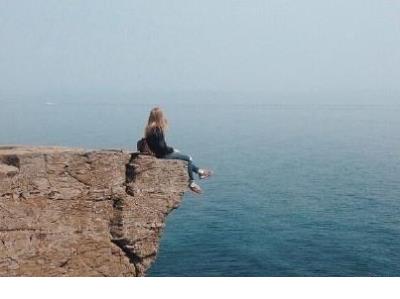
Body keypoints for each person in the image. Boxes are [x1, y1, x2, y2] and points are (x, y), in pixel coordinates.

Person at [144, 107, 213, 194]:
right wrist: (172, 149)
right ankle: (192, 182)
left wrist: (170, 149)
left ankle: (200, 172)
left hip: (157, 154)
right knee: (188, 158)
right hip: (163, 155)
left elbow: (157, 146)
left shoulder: (149, 129)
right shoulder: (157, 129)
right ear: (159, 117)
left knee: (182, 157)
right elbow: (162, 147)